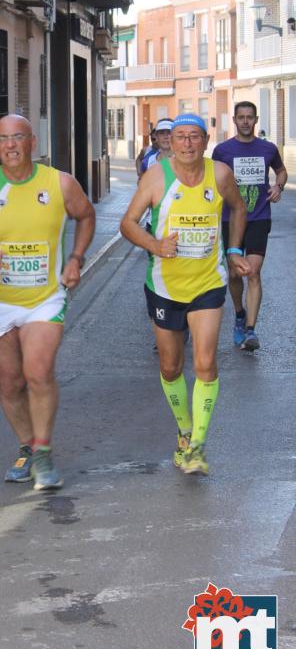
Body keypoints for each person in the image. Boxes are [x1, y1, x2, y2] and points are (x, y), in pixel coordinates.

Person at [0, 114, 95, 490]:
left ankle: (44, 452)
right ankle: (28, 446)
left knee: (37, 371)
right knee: (11, 383)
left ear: (33, 142)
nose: (10, 145)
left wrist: (76, 258)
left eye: (18, 137)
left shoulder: (59, 183)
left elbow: (86, 215)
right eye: (2, 139)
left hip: (45, 299)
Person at [120, 114, 251, 476]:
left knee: (206, 364)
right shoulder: (156, 177)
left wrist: (235, 249)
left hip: (208, 283)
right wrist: (155, 245)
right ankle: (183, 430)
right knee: (170, 366)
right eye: (180, 137)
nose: (188, 143)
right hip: (164, 286)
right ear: (171, 142)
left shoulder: (220, 174)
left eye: (194, 137)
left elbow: (239, 208)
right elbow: (127, 223)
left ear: (206, 140)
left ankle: (197, 446)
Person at [211, 101, 287, 351]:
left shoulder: (268, 148)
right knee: (234, 274)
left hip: (259, 217)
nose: (245, 121)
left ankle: (251, 332)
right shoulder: (222, 151)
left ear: (256, 120)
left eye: (250, 117)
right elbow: (213, 181)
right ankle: (240, 314)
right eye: (241, 117)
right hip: (230, 219)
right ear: (234, 120)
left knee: (253, 272)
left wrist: (278, 186)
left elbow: (281, 171)